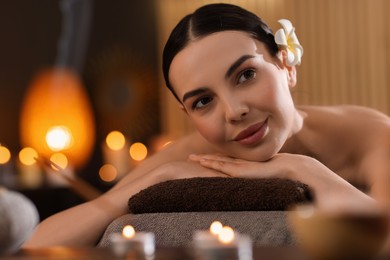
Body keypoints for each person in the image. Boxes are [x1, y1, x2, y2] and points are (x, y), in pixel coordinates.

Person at [23, 3, 390, 247]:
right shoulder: (189, 157)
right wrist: (151, 180)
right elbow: (34, 245)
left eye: (246, 74)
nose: (233, 112)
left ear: (286, 65)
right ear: (188, 115)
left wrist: (303, 169)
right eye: (203, 101)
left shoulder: (370, 134)